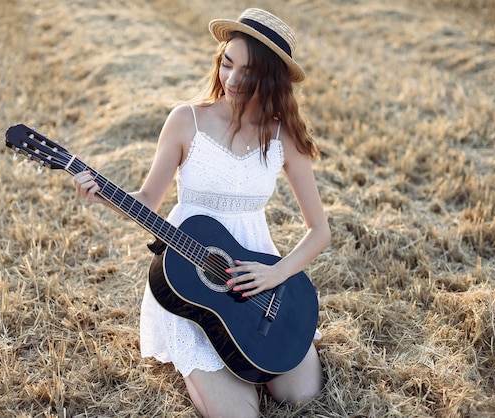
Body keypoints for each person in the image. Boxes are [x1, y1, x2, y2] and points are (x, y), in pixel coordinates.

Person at [73, 8, 330, 417]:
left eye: (247, 73)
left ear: (270, 80)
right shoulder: (186, 120)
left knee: (301, 396)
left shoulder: (284, 137)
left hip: (262, 282)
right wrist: (102, 192)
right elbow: (147, 200)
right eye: (227, 64)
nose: (231, 80)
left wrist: (277, 272)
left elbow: (320, 231)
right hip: (193, 281)